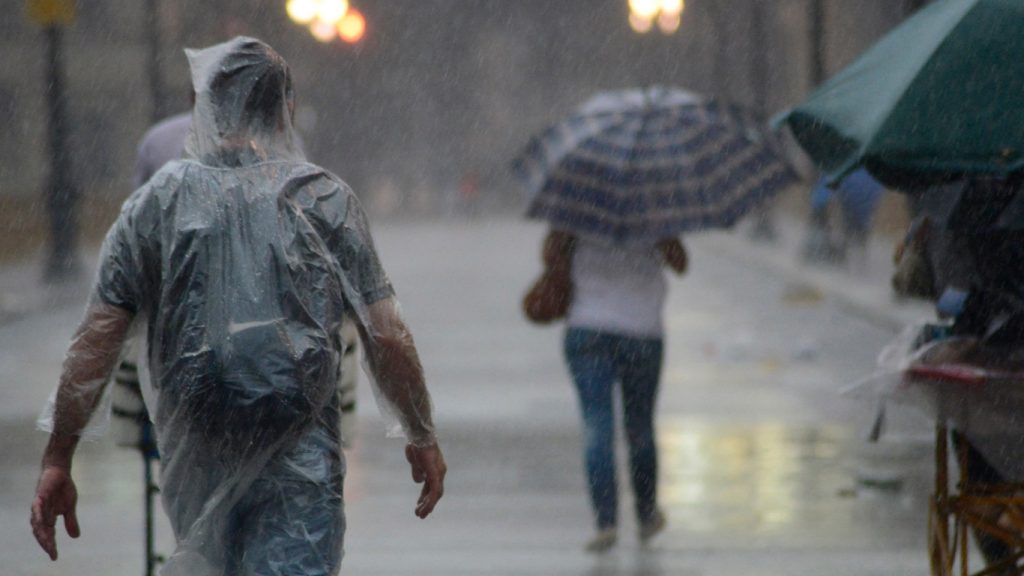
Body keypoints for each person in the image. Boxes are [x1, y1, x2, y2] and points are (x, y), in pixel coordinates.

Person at [29, 37, 445, 576]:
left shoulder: (157, 204)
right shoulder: (325, 200)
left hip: (197, 443)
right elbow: (386, 335)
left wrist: (59, 455)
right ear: (286, 107)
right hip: (300, 446)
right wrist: (420, 433)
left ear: (205, 104)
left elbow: (97, 341)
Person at [544, 229, 687, 552]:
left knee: (597, 427)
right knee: (639, 427)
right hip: (642, 331)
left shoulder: (579, 202)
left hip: (587, 328)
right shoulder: (654, 205)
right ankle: (646, 514)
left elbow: (550, 257)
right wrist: (662, 238)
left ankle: (606, 521)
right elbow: (680, 263)